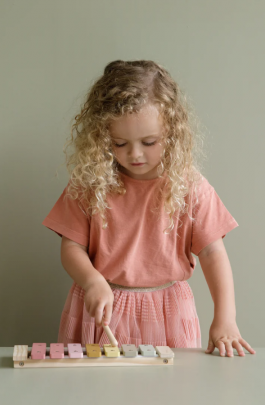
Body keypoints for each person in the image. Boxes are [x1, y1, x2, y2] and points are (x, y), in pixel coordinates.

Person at [42, 59, 256, 357]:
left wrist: (226, 318)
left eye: (149, 141)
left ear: (172, 131)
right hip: (101, 308)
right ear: (103, 137)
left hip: (167, 314)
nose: (135, 154)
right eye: (119, 143)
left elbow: (212, 252)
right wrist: (92, 281)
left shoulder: (189, 186)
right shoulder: (90, 183)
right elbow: (71, 247)